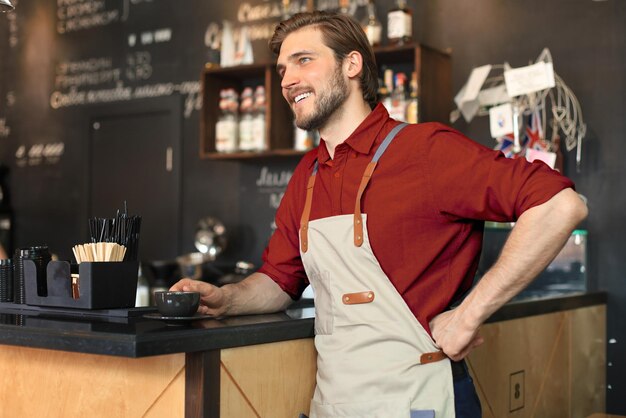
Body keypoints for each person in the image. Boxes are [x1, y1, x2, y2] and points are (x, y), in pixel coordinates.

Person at [171, 11, 587, 417]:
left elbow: (560, 205)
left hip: (422, 401)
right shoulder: (308, 175)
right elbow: (280, 281)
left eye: (303, 60)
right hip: (335, 404)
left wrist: (468, 315)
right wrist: (227, 299)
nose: (287, 79)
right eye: (282, 69)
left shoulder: (425, 150)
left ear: (352, 64)